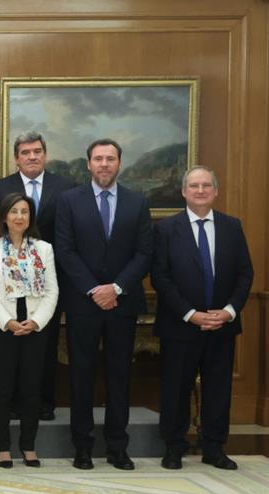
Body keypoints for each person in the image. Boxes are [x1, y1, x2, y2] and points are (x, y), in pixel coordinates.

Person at [56, 139, 153, 471]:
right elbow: (65, 250)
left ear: (119, 163)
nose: (104, 164)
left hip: (122, 304)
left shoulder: (137, 202)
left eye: (110, 159)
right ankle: (82, 447)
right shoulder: (69, 201)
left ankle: (117, 447)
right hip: (83, 303)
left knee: (119, 376)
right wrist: (94, 289)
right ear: (88, 164)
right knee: (81, 376)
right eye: (98, 159)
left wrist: (116, 287)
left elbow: (144, 253)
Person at [152, 166, 254, 471]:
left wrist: (229, 311)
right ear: (183, 192)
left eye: (206, 186)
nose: (200, 190)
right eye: (193, 186)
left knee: (218, 389)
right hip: (180, 324)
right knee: (175, 388)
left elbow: (244, 273)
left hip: (221, 324)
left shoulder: (232, 226)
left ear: (215, 191)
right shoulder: (166, 229)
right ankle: (174, 446)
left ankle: (213, 447)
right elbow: (160, 276)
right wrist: (190, 314)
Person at [0, 130, 74, 421]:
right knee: (9, 351)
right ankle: (11, 404)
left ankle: (43, 404)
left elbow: (68, 235)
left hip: (48, 280)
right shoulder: (0, 188)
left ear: (45, 154)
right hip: (7, 282)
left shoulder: (65, 187)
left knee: (44, 345)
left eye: (37, 151)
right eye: (25, 152)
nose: (32, 156)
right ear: (16, 158)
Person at [0, 193, 58, 468]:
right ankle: (2, 447)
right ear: (4, 216)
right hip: (4, 327)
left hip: (36, 327)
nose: (19, 217)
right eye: (14, 211)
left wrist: (36, 321)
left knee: (32, 389)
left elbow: (51, 291)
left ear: (30, 217)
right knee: (3, 388)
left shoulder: (44, 248)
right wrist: (8, 322)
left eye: (24, 211)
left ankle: (28, 446)